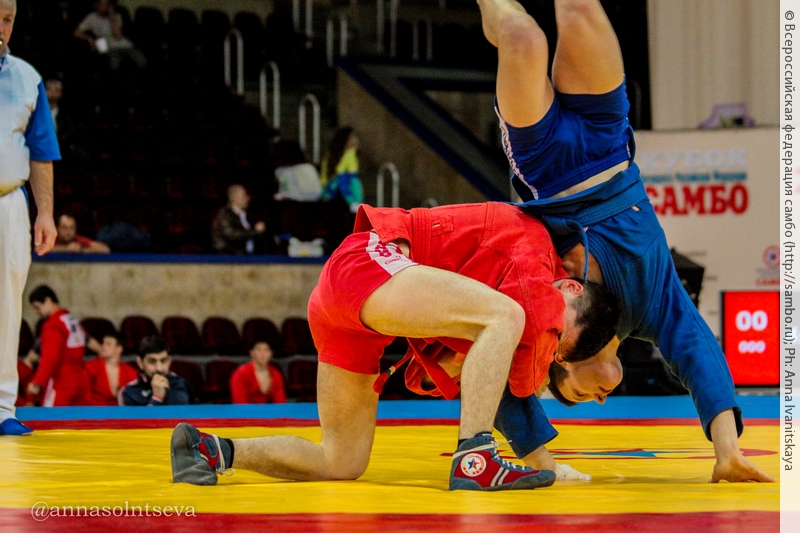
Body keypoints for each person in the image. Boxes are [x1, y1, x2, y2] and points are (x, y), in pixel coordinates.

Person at [477, 0, 773, 483]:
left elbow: (504, 383)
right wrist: (728, 451)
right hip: (607, 139)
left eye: (577, 394)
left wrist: (539, 460)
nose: (599, 400)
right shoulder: (652, 310)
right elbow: (699, 353)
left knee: (523, 38)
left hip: (543, 162)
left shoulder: (543, 319)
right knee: (579, 8)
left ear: (560, 359)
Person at [171, 201, 620, 491]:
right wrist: (540, 375)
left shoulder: (491, 300)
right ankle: (475, 458)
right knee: (507, 316)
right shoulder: (535, 249)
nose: (549, 339)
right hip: (367, 264)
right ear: (571, 287)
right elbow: (524, 365)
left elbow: (436, 377)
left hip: (352, 309)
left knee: (341, 461)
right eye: (559, 334)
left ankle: (212, 450)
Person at [0, 0, 60, 434]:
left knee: (6, 306)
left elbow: (41, 151)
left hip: (9, 202)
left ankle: (3, 407)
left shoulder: (26, 78)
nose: (1, 27)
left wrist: (46, 213)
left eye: (7, 19)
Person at [26, 286, 89, 407]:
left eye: (37, 307)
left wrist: (38, 382)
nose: (37, 312)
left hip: (61, 381)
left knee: (51, 417)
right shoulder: (71, 320)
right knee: (79, 417)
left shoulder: (53, 325)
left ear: (48, 301)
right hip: (81, 380)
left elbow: (50, 358)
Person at [120, 336, 195, 406]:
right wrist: (157, 398)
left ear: (169, 361)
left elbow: (196, 413)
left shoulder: (181, 383)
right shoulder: (128, 393)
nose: (159, 368)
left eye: (163, 361)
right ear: (140, 363)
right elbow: (135, 417)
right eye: (152, 361)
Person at [73, 0, 146, 72]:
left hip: (126, 45)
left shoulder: (117, 16)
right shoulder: (91, 17)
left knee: (142, 62)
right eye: (101, 4)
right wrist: (88, 38)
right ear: (96, 5)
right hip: (110, 47)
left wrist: (112, 17)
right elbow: (76, 33)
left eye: (107, 4)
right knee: (114, 65)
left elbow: (118, 35)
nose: (103, 7)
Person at [211, 184, 267, 255]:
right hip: (228, 257)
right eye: (244, 196)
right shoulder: (224, 215)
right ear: (233, 198)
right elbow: (232, 235)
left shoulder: (248, 215)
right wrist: (255, 231)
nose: (247, 198)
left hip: (247, 257)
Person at [85, 332, 137, 406]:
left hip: (120, 411)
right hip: (94, 410)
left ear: (119, 349)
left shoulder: (130, 372)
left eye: (108, 344)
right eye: (103, 343)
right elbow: (84, 395)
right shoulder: (90, 367)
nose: (103, 346)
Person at [320, 127, 364, 214]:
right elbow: (340, 173)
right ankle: (354, 202)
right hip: (327, 191)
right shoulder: (332, 154)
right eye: (351, 138)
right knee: (342, 177)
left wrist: (353, 153)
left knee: (350, 178)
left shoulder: (351, 154)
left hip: (343, 191)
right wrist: (352, 153)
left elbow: (353, 175)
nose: (354, 140)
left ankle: (357, 202)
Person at [230, 340, 286, 404]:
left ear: (271, 353)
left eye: (266, 350)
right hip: (245, 409)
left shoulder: (275, 374)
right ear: (251, 353)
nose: (263, 354)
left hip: (267, 409)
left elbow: (280, 402)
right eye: (259, 350)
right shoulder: (241, 373)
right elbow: (239, 403)